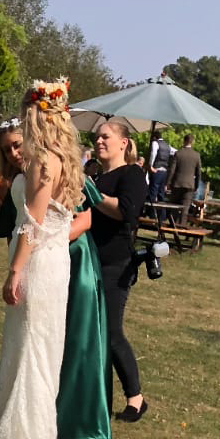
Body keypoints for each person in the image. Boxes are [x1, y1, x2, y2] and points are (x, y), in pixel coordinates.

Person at [0, 77, 82, 439]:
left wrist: (15, 270)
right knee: (34, 344)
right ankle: (21, 426)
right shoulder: (62, 160)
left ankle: (24, 437)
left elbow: (32, 222)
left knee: (32, 346)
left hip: (39, 260)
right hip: (53, 257)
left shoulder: (46, 162)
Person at [90, 122, 149, 422]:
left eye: (105, 137)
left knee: (112, 332)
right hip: (90, 261)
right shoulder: (97, 175)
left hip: (116, 264)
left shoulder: (132, 174)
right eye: (97, 137)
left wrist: (93, 194)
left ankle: (135, 398)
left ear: (123, 143)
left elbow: (126, 212)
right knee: (90, 331)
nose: (99, 141)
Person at [57, 175, 113, 439]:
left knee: (79, 335)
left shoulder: (75, 175)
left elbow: (86, 219)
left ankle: (79, 424)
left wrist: (47, 241)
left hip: (74, 258)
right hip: (44, 258)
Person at [0, 118, 23, 241]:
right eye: (7, 150)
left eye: (17, 145)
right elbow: (9, 228)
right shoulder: (14, 182)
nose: (13, 153)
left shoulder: (47, 176)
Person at [165, 134, 202, 225]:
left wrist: (168, 183)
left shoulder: (178, 153)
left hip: (177, 183)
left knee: (174, 206)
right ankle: (181, 225)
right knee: (185, 208)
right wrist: (196, 185)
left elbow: (172, 170)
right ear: (192, 142)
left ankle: (172, 224)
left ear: (184, 141)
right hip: (189, 185)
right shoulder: (196, 155)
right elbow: (198, 173)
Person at [146, 132, 173, 202]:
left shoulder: (155, 143)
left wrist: (150, 165)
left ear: (154, 137)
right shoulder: (167, 145)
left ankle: (151, 212)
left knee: (152, 193)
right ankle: (162, 213)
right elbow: (175, 152)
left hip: (156, 170)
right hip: (164, 172)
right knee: (161, 194)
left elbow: (153, 154)